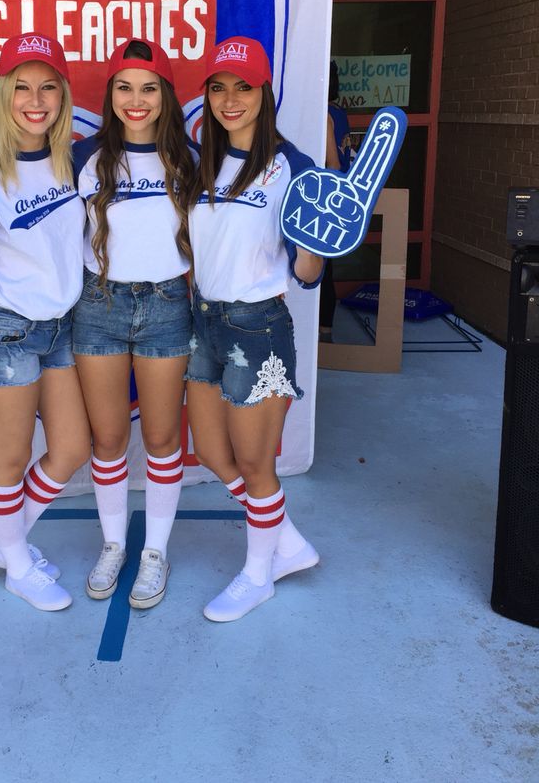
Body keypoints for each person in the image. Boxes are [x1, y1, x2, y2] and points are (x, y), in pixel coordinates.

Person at [0, 32, 90, 612]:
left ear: (62, 95)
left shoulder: (76, 158)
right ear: (4, 94)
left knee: (72, 448)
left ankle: (7, 542)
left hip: (60, 329)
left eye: (48, 86)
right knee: (7, 460)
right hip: (5, 331)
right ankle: (17, 564)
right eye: (22, 86)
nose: (36, 99)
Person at [185, 35, 323, 622]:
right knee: (215, 453)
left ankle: (256, 573)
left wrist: (320, 242)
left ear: (265, 91)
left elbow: (308, 273)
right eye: (219, 87)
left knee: (256, 465)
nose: (230, 99)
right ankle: (285, 540)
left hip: (257, 327)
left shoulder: (293, 167)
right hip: (204, 321)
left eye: (243, 86)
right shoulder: (203, 158)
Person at [73, 39, 196, 609]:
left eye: (149, 87)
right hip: (98, 305)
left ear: (166, 96)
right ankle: (115, 543)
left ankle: (156, 552)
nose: (136, 99)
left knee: (164, 437)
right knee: (108, 438)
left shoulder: (191, 159)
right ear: (110, 95)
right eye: (124, 87)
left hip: (167, 305)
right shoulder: (82, 157)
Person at [319, 59, 352, 342]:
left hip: (325, 193)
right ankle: (326, 330)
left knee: (320, 267)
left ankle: (324, 333)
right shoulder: (339, 111)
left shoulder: (321, 113)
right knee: (326, 265)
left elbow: (332, 163)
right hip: (341, 191)